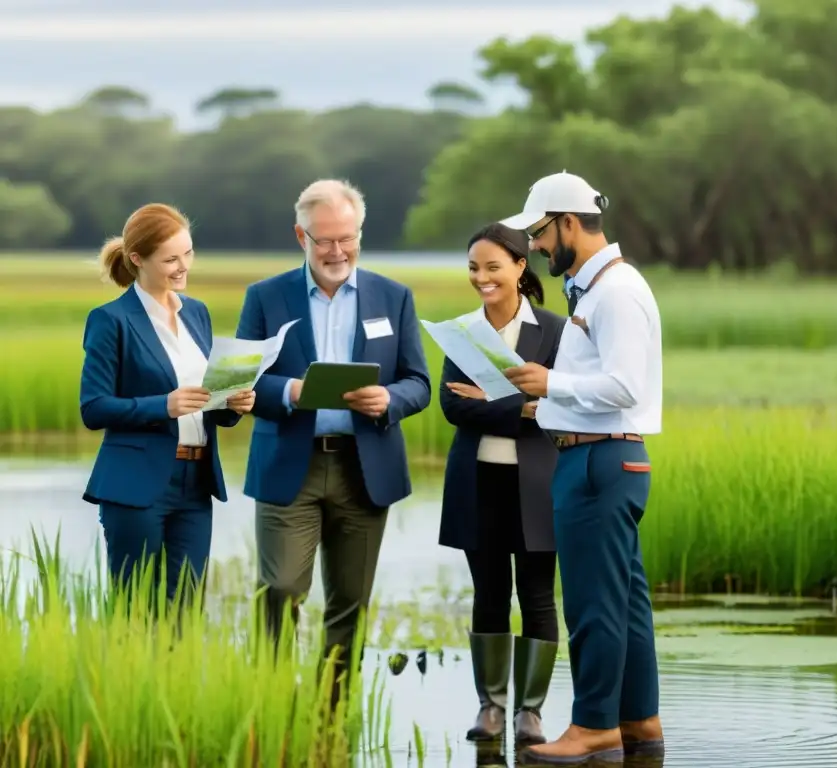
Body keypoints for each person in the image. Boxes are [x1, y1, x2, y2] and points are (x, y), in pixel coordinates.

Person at [234, 178, 431, 710]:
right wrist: (290, 391)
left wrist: (388, 400)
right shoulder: (265, 297)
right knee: (280, 590)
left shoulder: (394, 297)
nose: (337, 251)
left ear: (359, 234)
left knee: (350, 603)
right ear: (301, 235)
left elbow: (419, 382)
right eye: (324, 240)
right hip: (287, 466)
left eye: (347, 238)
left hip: (364, 469)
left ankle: (332, 714)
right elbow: (241, 381)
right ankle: (273, 704)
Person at [498, 171, 665, 764]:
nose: (535, 247)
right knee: (624, 603)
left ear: (569, 223)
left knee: (594, 604)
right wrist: (544, 402)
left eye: (540, 233)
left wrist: (552, 381)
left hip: (598, 461)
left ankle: (594, 727)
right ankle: (638, 721)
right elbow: (600, 387)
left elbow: (624, 386)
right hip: (604, 455)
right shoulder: (594, 289)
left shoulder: (614, 292)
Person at [79, 202, 254, 613]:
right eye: (171, 259)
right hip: (135, 485)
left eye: (188, 253)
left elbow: (205, 398)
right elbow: (94, 407)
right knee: (135, 612)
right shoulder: (111, 320)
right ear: (137, 259)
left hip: (196, 484)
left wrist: (233, 403)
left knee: (184, 610)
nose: (183, 267)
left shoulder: (198, 313)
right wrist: (165, 405)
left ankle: (174, 680)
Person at [438, 223, 565, 747]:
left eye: (492, 267)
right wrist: (523, 407)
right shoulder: (462, 331)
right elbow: (451, 405)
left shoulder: (555, 332)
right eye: (473, 268)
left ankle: (530, 713)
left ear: (519, 267)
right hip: (477, 480)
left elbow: (563, 407)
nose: (482, 277)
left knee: (537, 596)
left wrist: (492, 403)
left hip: (538, 483)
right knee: (489, 593)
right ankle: (491, 706)